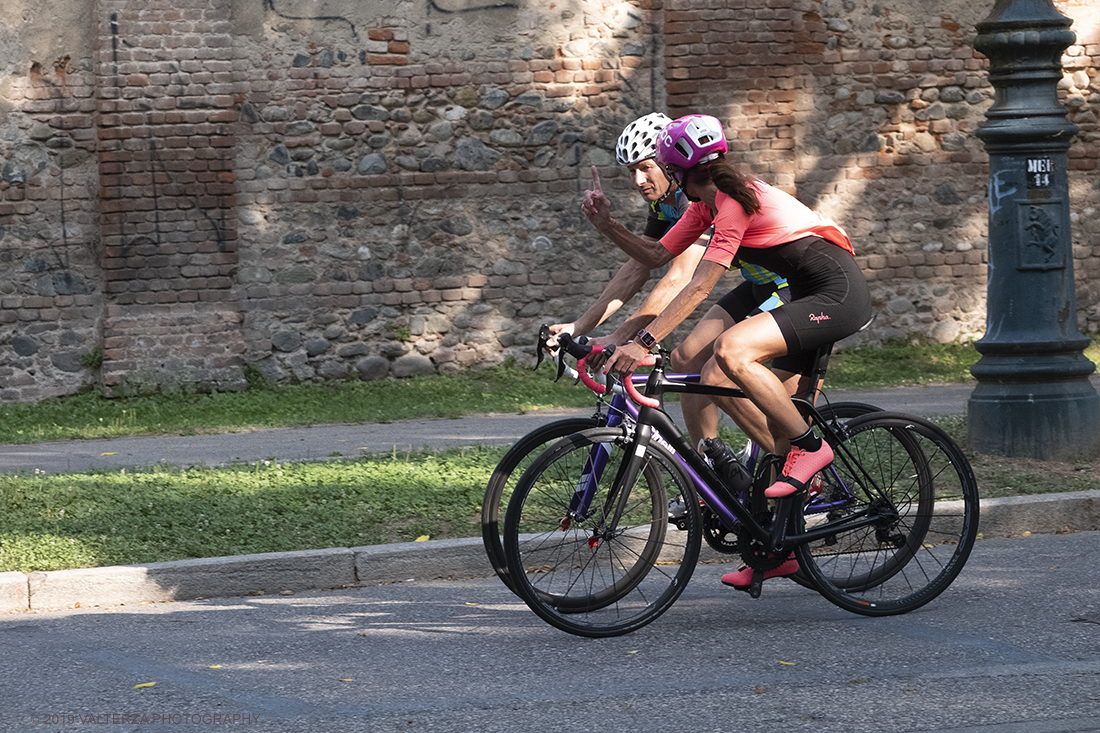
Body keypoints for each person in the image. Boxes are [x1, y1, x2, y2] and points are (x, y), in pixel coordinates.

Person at [600, 114, 873, 590]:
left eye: (657, 167)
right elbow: (656, 256)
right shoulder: (702, 206)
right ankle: (776, 548)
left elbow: (701, 283)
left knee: (731, 352)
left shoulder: (732, 202)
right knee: (754, 408)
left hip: (834, 292)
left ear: (677, 170)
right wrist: (607, 225)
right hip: (798, 292)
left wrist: (644, 343)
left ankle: (813, 449)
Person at [560, 115, 794, 456]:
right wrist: (580, 326)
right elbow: (638, 267)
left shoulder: (692, 200)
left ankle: (788, 458)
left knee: (718, 369)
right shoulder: (664, 204)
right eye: (631, 172)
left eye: (646, 168)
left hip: (787, 287)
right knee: (685, 360)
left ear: (671, 164)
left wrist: (625, 337)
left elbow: (679, 280)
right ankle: (710, 472)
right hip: (757, 285)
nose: (639, 180)